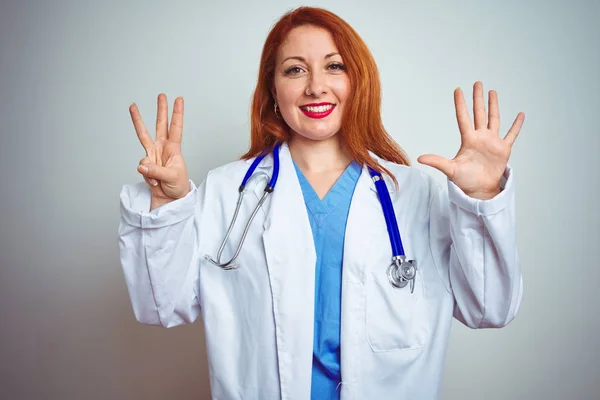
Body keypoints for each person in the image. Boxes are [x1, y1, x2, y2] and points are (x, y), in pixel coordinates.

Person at [118, 6, 524, 400]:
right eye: (295, 69)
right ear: (273, 90)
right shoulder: (228, 192)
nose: (315, 86)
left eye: (334, 66)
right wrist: (165, 205)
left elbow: (488, 308)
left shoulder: (414, 193)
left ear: (357, 81)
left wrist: (482, 198)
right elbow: (162, 306)